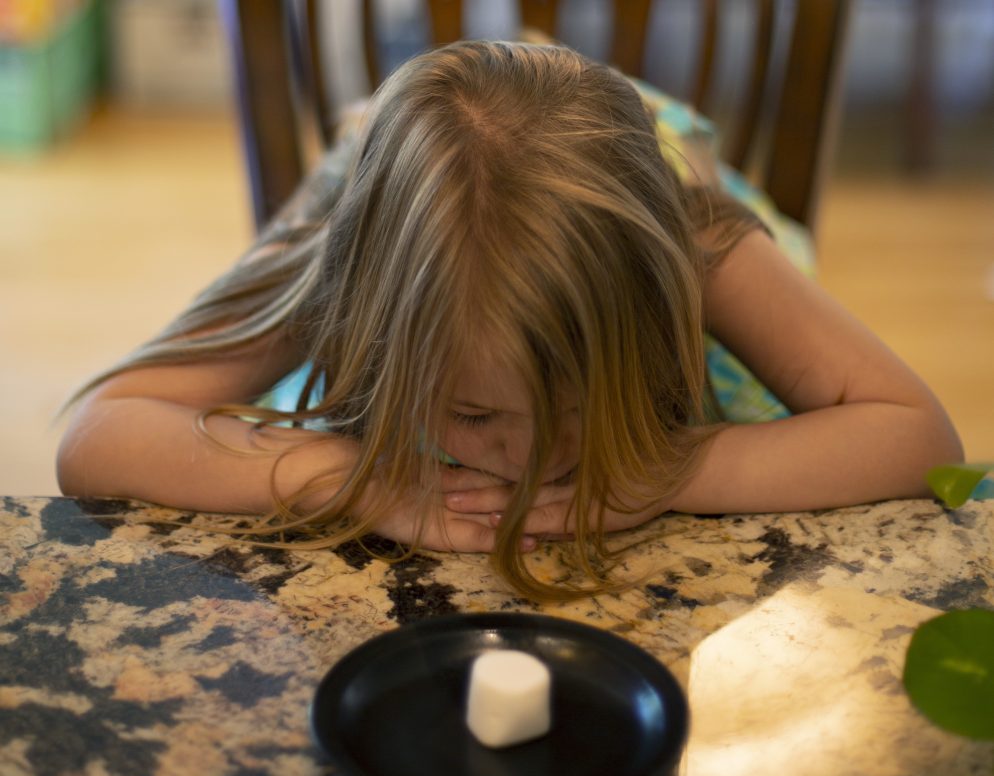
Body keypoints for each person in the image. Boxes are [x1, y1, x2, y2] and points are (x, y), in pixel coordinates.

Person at [56, 41, 962, 600]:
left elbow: (917, 437)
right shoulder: (351, 260)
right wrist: (356, 479)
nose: (529, 464)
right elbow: (102, 432)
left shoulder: (691, 244)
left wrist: (667, 473)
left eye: (573, 406)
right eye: (474, 416)